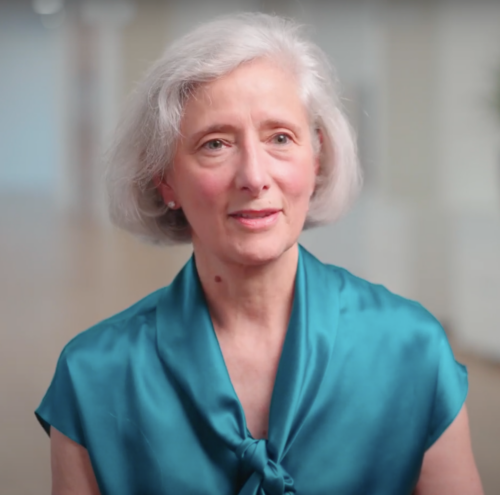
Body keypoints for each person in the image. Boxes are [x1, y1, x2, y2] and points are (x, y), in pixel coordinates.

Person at [35, 12, 483, 495]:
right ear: (165, 180)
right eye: (216, 143)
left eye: (280, 138)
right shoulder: (93, 376)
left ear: (318, 158)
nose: (254, 175)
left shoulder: (413, 350)